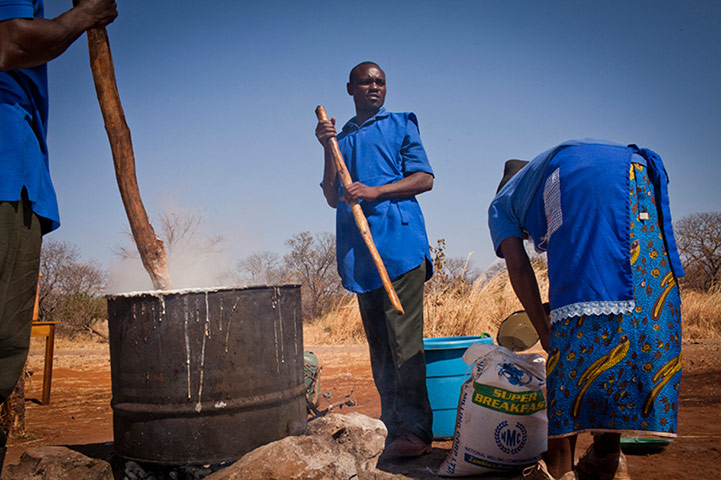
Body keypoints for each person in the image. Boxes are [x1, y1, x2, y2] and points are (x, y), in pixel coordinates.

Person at [488, 140, 684, 480]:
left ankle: (558, 468)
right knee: (631, 309)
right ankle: (607, 457)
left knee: (575, 336)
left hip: (576, 175)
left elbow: (519, 268)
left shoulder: (502, 202)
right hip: (637, 171)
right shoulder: (543, 179)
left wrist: (545, 329)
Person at [0, 0, 117, 471]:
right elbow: (10, 42)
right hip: (7, 169)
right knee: (4, 342)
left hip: (17, 169)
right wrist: (83, 16)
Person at [315, 61, 435, 457]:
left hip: (399, 247)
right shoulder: (342, 137)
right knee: (380, 347)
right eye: (366, 81)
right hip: (360, 257)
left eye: (380, 81)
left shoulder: (401, 124)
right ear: (350, 88)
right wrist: (326, 149)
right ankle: (391, 425)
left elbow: (424, 178)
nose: (374, 86)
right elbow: (333, 196)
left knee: (403, 341)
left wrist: (376, 192)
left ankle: (415, 432)